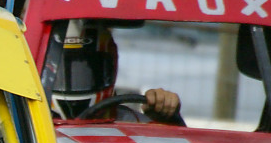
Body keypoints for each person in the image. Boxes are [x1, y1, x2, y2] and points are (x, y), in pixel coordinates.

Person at [50, 20, 183, 124]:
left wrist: (166, 118)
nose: (75, 78)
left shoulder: (133, 122)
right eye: (64, 72)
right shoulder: (32, 124)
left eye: (84, 71)